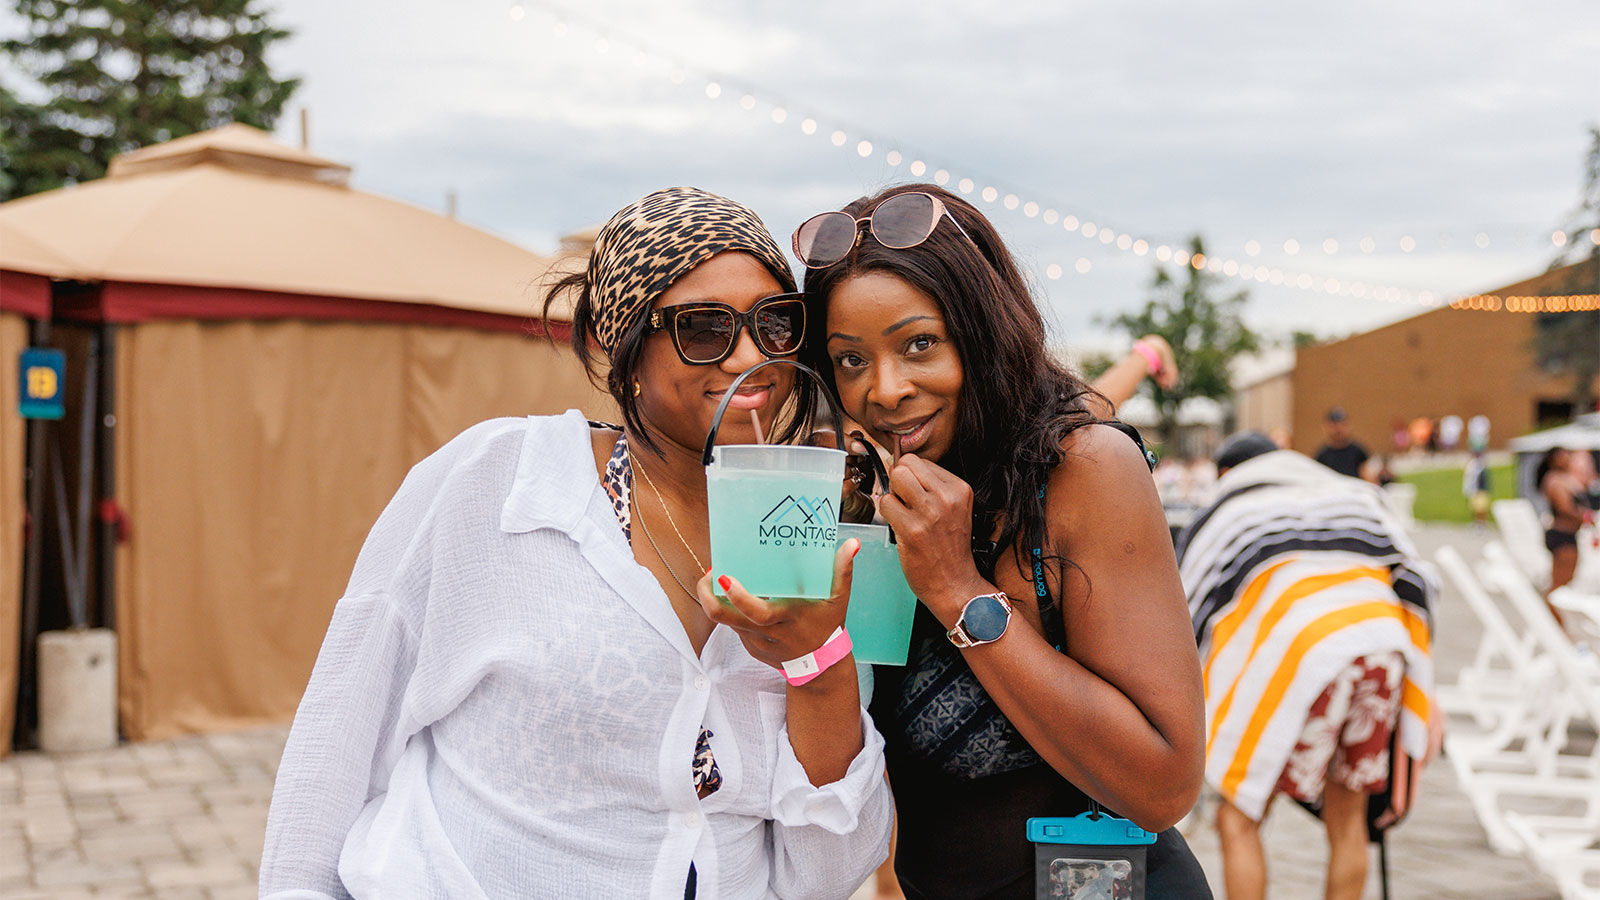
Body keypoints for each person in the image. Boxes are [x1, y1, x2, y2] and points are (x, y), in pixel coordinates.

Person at [259, 187, 892, 899]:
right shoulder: (499, 484)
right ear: (610, 341)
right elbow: (335, 745)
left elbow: (829, 873)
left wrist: (818, 660)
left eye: (777, 324)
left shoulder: (805, 519)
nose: (750, 355)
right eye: (704, 328)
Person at [795, 184, 1210, 898]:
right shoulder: (871, 493)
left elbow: (1164, 784)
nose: (885, 389)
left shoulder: (1083, 470)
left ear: (983, 331)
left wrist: (958, 590)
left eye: (919, 344)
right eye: (851, 359)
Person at [1178, 431, 1437, 900]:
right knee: (1348, 818)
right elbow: (1417, 579)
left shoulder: (1227, 507)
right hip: (1382, 648)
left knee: (1238, 816)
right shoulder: (1350, 493)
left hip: (1300, 649)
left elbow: (1185, 611)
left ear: (1227, 473)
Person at [1539, 447, 1595, 594]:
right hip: (1563, 535)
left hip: (1568, 534)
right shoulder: (1555, 480)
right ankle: (1552, 615)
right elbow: (1565, 508)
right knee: (1560, 585)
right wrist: (1587, 517)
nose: (1566, 459)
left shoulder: (1564, 478)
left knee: (1565, 582)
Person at [1313, 407, 1369, 479]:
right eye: (1333, 426)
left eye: (1343, 425)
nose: (1338, 429)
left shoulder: (1359, 452)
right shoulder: (1322, 455)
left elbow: (1366, 476)